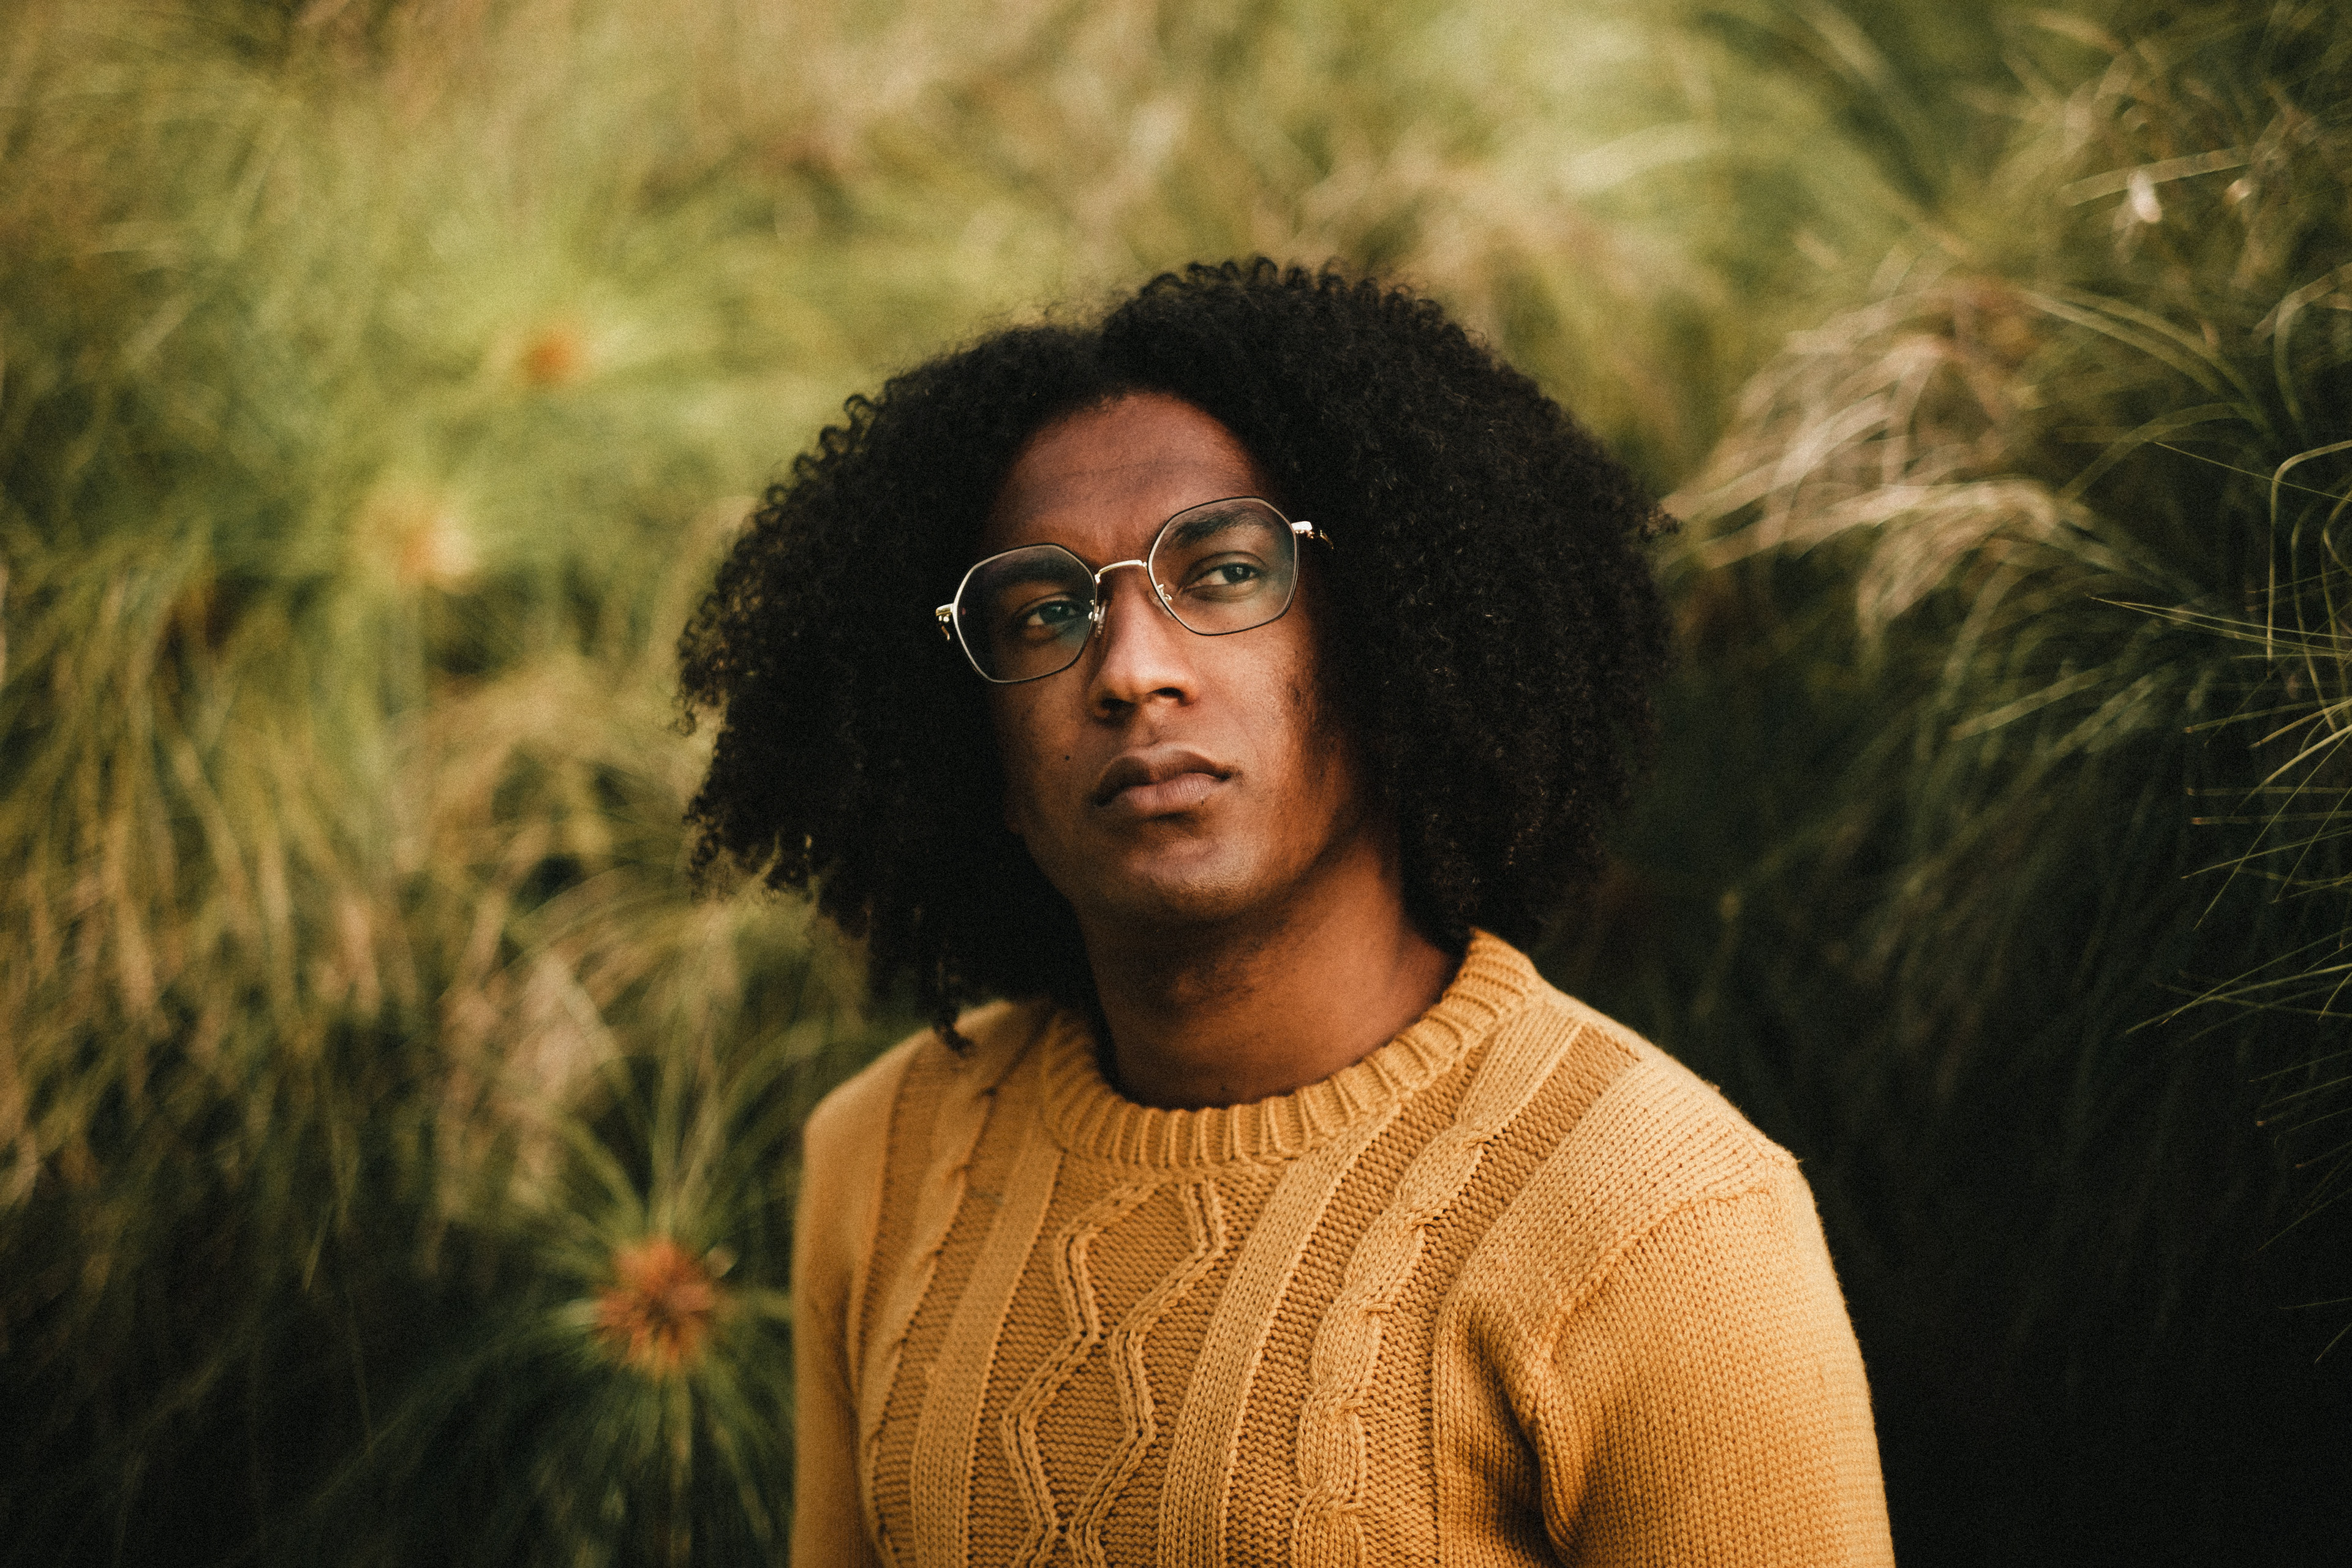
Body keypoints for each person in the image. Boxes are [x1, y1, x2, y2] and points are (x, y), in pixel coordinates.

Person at [679, 260, 1893, 1566]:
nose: (1132, 669)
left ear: (1391, 642)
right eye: (1045, 612)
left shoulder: (1662, 1220)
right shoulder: (883, 1160)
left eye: (1221, 573)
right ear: (974, 748)